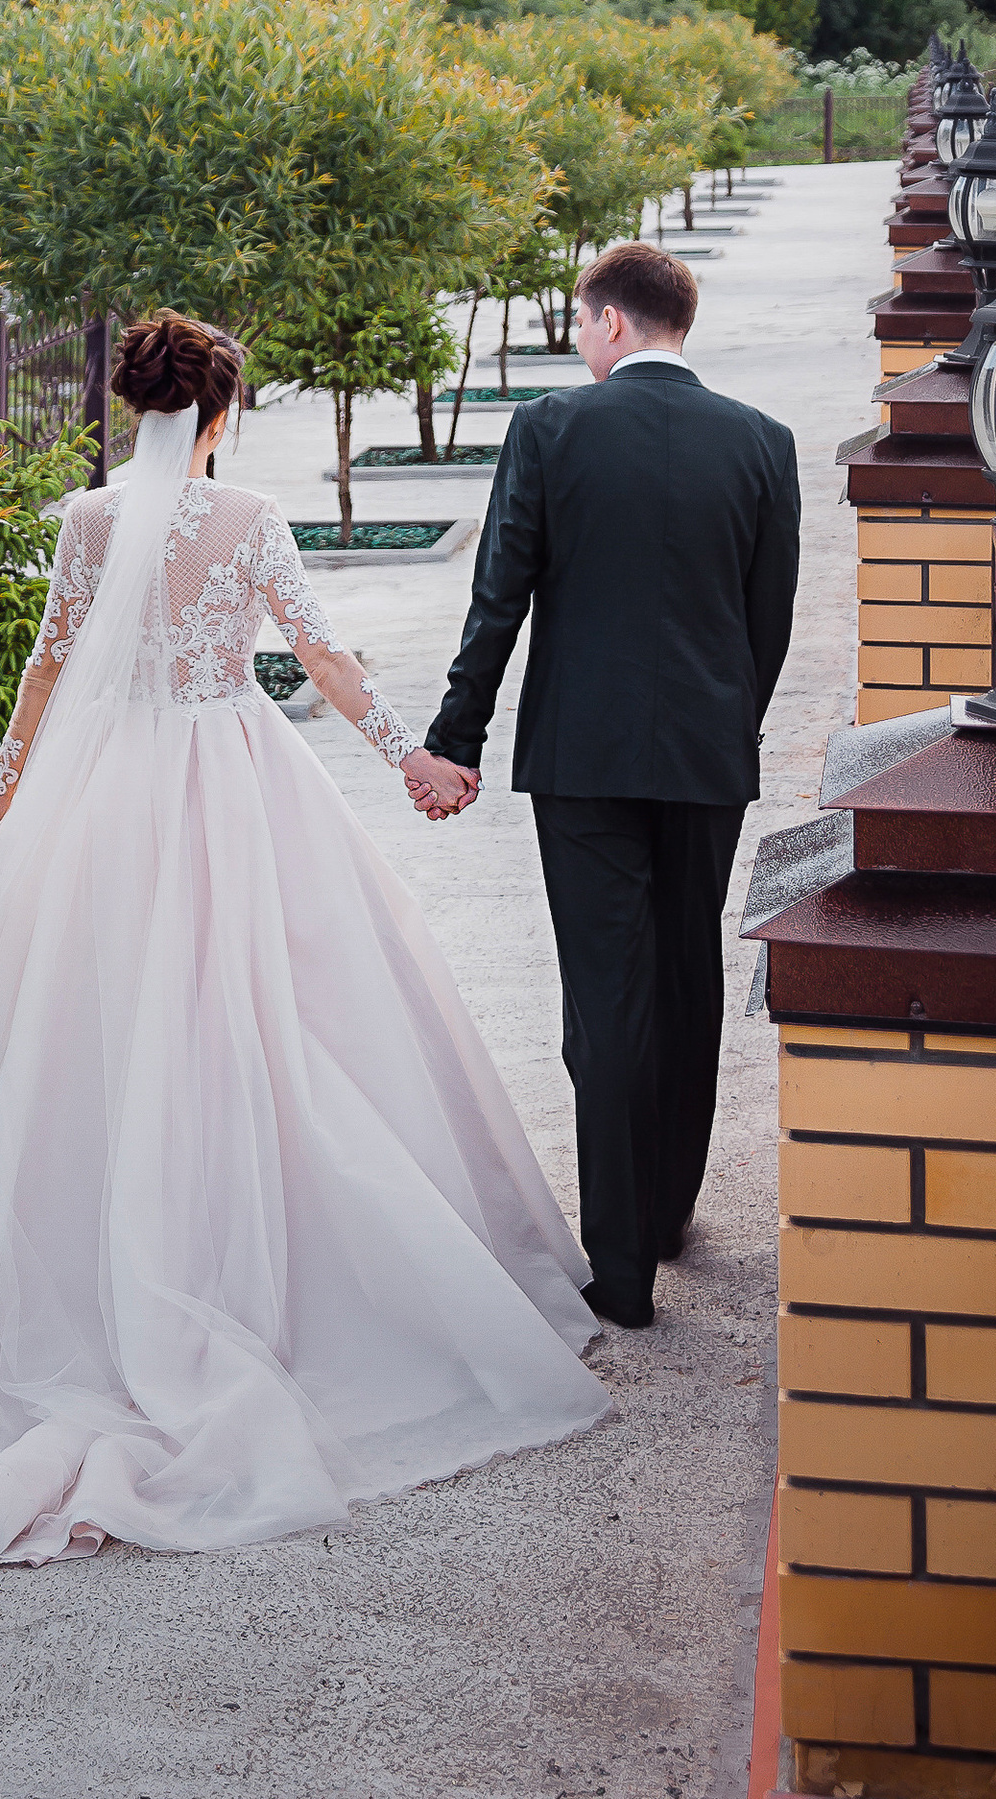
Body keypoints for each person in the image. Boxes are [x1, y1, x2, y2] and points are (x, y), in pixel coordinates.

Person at [0, 309, 609, 1567]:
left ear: (125, 405)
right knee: (263, 1018)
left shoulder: (85, 521)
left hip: (104, 791)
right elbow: (318, 650)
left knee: (83, 1025)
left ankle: (68, 1274)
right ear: (220, 413)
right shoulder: (248, 519)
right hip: (229, 776)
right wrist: (408, 758)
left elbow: (48, 668)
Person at [400, 240, 800, 1332]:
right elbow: (767, 625)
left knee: (605, 996)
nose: (580, 342)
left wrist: (456, 737)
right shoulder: (764, 444)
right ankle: (669, 1208)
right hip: (707, 759)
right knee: (684, 974)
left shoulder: (549, 429)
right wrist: (723, 726)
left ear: (611, 323)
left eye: (582, 325)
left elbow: (500, 598)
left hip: (583, 759)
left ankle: (620, 1266)